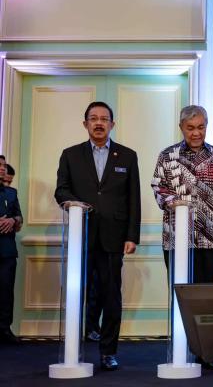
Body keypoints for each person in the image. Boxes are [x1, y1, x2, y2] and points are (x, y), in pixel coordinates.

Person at [55, 101, 141, 370]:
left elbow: (134, 199)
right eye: (94, 118)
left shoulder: (127, 156)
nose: (99, 123)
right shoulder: (70, 155)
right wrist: (74, 203)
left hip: (114, 237)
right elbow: (61, 190)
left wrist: (132, 235)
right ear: (85, 124)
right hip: (82, 236)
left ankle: (108, 352)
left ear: (112, 124)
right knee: (79, 293)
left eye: (104, 119)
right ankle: (75, 347)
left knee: (111, 296)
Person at [151, 105, 213, 370]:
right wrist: (175, 202)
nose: (196, 133)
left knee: (207, 297)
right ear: (181, 128)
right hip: (177, 238)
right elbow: (158, 188)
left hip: (211, 238)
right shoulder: (168, 156)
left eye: (200, 127)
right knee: (181, 295)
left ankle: (206, 354)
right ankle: (179, 351)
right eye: (190, 128)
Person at [0, 155, 23, 345]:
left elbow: (20, 219)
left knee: (6, 292)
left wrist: (13, 220)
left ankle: (4, 329)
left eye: (3, 165)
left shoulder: (11, 193)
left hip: (7, 251)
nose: (2, 168)